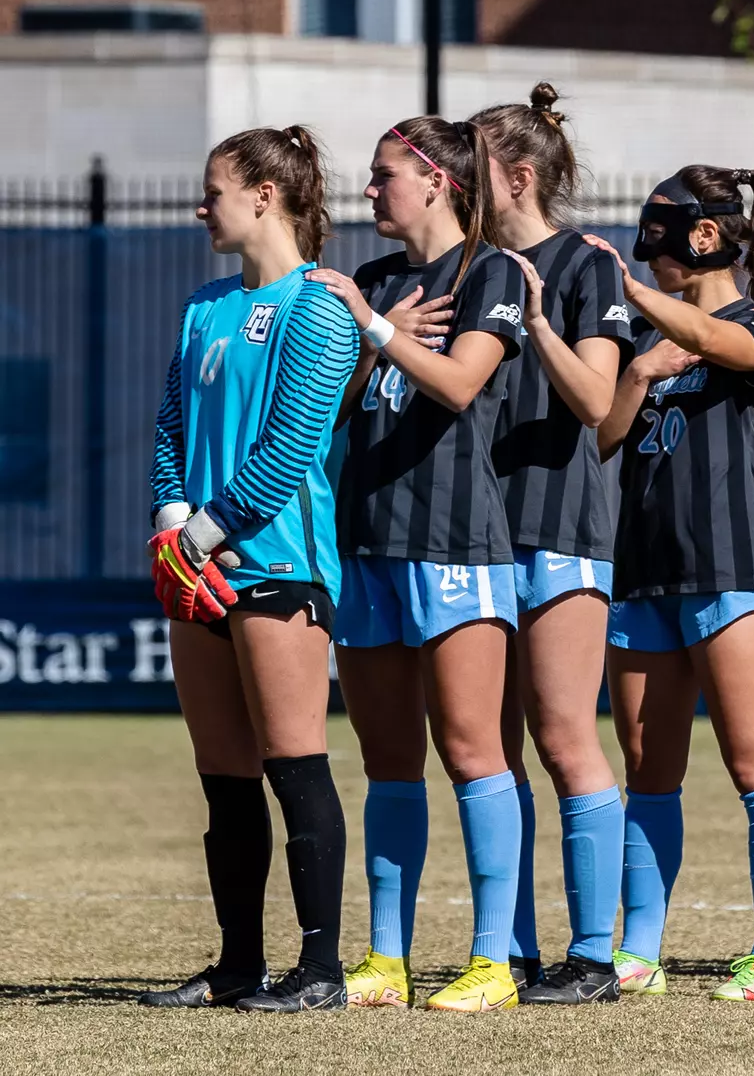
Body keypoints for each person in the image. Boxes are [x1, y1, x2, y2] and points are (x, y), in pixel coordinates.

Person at [307, 115, 532, 1012]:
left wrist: (375, 328)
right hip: (366, 540)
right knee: (388, 759)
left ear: (437, 181)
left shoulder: (495, 274)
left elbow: (461, 382)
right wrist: (374, 330)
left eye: (383, 175)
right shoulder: (375, 282)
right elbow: (330, 408)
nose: (369, 191)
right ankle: (387, 960)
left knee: (474, 751)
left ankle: (492, 963)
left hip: (454, 543)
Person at [140, 126, 357, 1013]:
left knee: (294, 765)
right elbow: (168, 431)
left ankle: (321, 972)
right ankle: (237, 968)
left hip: (276, 564)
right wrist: (171, 525)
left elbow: (294, 442)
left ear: (266, 194)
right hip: (197, 567)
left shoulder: (321, 306)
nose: (203, 206)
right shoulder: (202, 307)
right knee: (222, 778)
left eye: (215, 190)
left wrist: (214, 530)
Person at [587, 164, 754, 1004]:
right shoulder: (650, 344)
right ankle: (639, 951)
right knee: (649, 767)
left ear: (704, 235)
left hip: (732, 573)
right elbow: (603, 441)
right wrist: (637, 375)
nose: (644, 251)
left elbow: (726, 345)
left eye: (655, 232)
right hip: (643, 573)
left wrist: (632, 300)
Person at [472, 83, 632, 1003]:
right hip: (475, 531)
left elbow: (598, 404)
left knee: (565, 734)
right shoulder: (466, 269)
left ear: (519, 176)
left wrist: (534, 318)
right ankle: (515, 950)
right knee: (491, 748)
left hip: (559, 526)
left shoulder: (585, 266)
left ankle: (593, 958)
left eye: (472, 165)